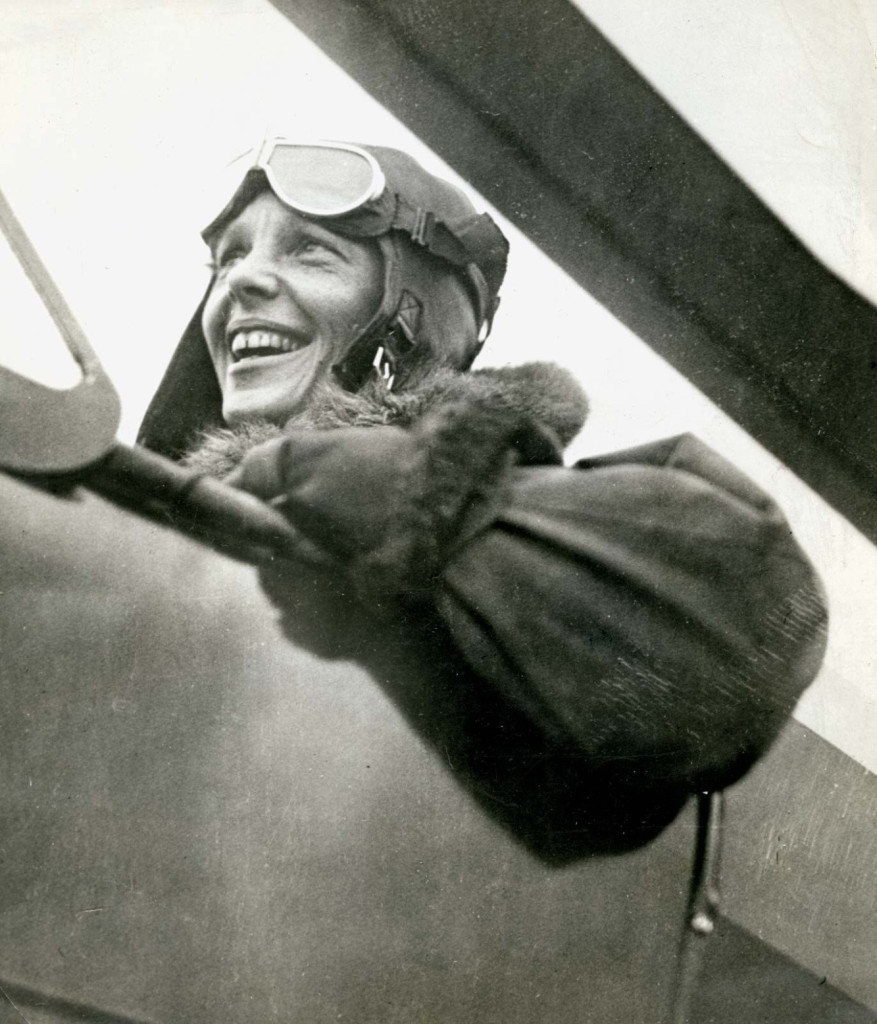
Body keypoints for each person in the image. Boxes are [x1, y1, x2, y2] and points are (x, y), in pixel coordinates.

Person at [139, 139, 828, 860]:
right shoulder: (158, 523)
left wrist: (419, 500)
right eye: (229, 258)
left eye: (309, 252)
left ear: (410, 320)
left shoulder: (518, 526)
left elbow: (748, 611)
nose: (241, 281)